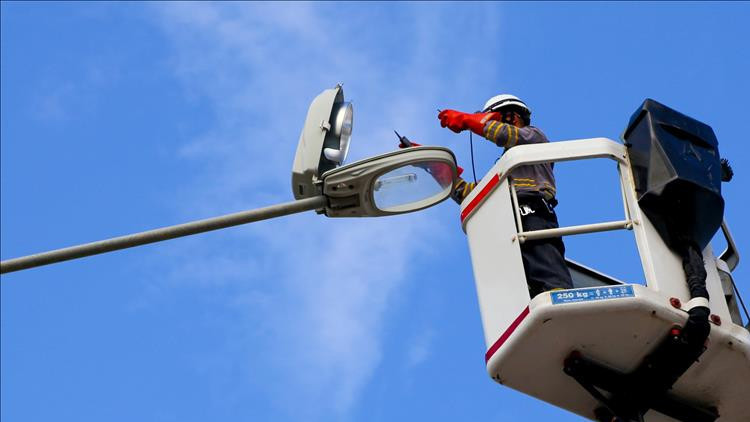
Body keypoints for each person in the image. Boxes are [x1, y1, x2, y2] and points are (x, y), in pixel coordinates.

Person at [437, 94, 573, 297]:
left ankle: (559, 295)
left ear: (512, 117)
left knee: (543, 257)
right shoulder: (505, 166)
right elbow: (471, 194)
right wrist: (437, 169)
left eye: (495, 119)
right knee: (518, 273)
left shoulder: (534, 137)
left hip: (532, 207)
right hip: (506, 214)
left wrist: (467, 120)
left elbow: (503, 134)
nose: (491, 125)